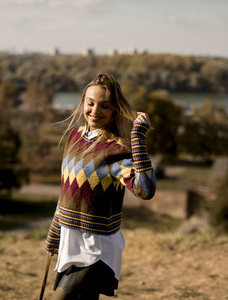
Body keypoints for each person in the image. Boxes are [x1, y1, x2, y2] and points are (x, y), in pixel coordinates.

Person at [44, 73, 156, 299]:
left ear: (115, 110)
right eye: (91, 103)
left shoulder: (117, 150)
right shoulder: (74, 137)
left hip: (96, 248)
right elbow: (67, 192)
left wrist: (137, 139)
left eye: (105, 106)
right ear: (83, 102)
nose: (95, 111)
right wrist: (55, 232)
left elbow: (145, 189)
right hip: (70, 241)